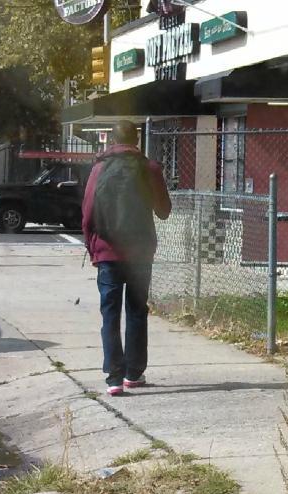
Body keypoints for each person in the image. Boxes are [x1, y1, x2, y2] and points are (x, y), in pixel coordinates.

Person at [80, 122, 172, 396]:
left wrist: (93, 248)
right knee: (136, 311)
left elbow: (87, 213)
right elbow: (164, 210)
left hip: (108, 253)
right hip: (140, 254)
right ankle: (134, 373)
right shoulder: (149, 169)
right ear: (137, 139)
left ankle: (114, 378)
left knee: (109, 314)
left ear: (112, 141)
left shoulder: (98, 169)